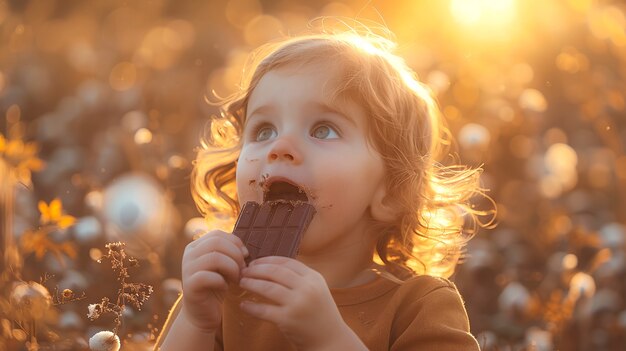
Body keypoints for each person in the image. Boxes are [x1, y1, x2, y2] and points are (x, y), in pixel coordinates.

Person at [155, 19, 491, 351]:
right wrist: (196, 322)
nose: (280, 147)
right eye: (264, 130)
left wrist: (328, 338)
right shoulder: (221, 294)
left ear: (390, 189)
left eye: (323, 130)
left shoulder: (418, 307)